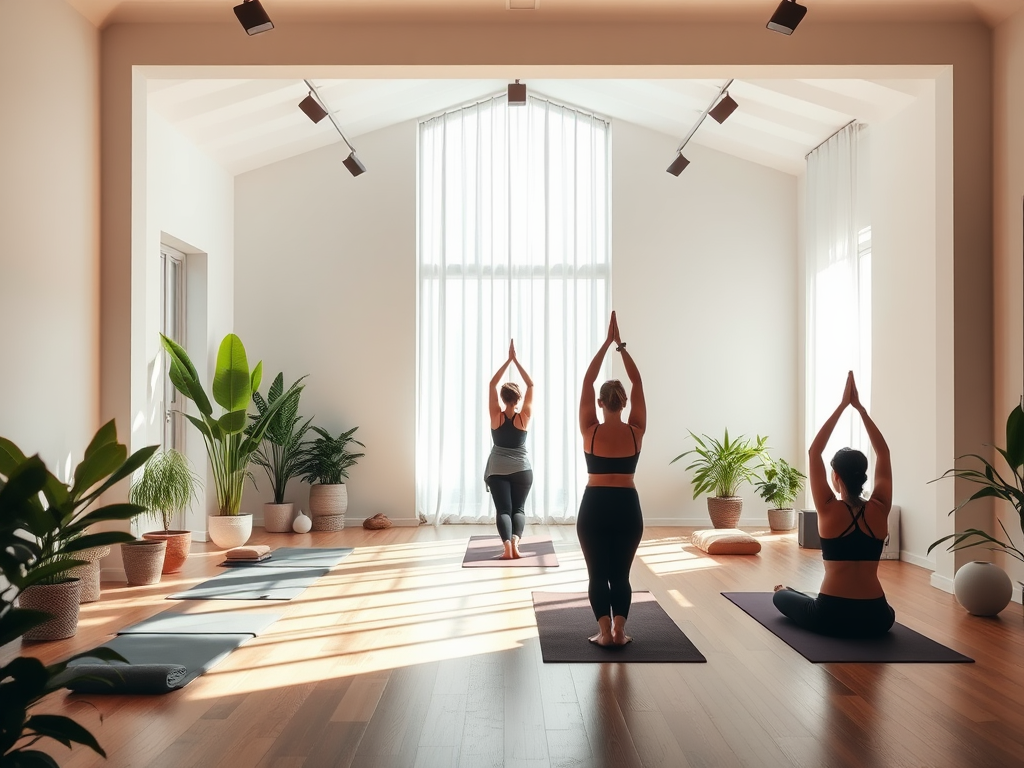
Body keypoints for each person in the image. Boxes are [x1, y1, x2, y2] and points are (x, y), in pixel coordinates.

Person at [773, 371, 896, 638]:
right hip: (877, 617)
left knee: (780, 598)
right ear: (863, 475)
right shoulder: (880, 506)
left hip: (830, 614)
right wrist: (861, 411)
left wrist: (842, 406)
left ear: (836, 476)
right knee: (890, 613)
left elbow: (814, 451)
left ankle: (786, 591)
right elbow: (883, 453)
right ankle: (794, 594)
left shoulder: (828, 508)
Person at [577, 311, 646, 647]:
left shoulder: (590, 431)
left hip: (594, 507)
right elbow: (639, 383)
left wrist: (605, 344)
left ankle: (604, 633)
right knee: (621, 575)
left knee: (597, 575)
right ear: (625, 403)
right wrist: (621, 347)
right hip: (627, 507)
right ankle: (620, 631)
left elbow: (587, 383)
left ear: (601, 403)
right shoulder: (636, 432)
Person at [484, 339, 534, 559]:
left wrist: (507, 361)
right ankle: (516, 542)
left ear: (503, 399)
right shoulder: (523, 417)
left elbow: (491, 385)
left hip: (497, 470)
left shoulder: (496, 416)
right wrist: (516, 361)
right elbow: (531, 385)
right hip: (522, 470)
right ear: (518, 399)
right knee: (518, 509)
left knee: (503, 510)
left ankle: (506, 546)